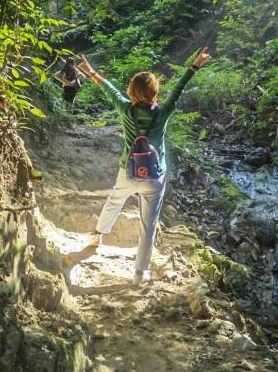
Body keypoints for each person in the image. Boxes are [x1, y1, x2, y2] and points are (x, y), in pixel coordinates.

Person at [78, 47, 211, 284]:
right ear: (155, 92)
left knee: (115, 200)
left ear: (131, 92)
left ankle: (97, 237)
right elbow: (178, 89)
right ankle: (139, 274)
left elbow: (108, 88)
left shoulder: (125, 109)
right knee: (147, 226)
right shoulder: (163, 112)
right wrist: (195, 65)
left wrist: (90, 72)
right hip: (155, 177)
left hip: (127, 172)